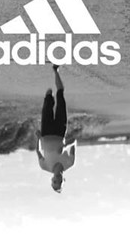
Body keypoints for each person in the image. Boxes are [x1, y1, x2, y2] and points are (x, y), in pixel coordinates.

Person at [36, 65, 77, 193]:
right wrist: (64, 147)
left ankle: (49, 97)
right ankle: (56, 71)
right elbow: (74, 141)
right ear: (63, 180)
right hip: (60, 131)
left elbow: (38, 151)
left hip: (46, 132)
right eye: (59, 182)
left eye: (54, 182)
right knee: (61, 95)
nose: (57, 180)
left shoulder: (44, 166)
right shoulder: (69, 163)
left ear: (52, 180)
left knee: (48, 97)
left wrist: (38, 138)